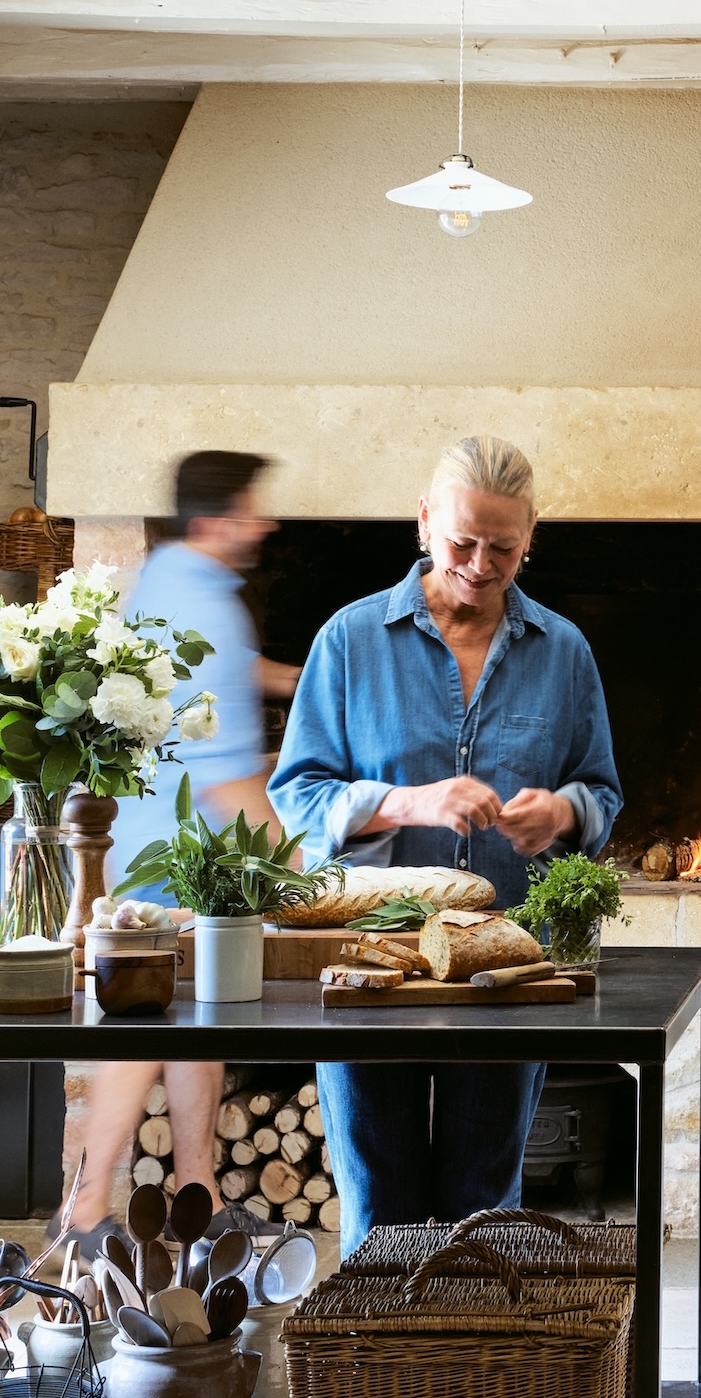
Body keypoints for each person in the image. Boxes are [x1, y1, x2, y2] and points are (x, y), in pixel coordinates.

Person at [271, 434, 621, 1253]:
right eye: (462, 541)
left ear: (530, 538)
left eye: (503, 546)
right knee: (378, 1203)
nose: (479, 563)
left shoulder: (563, 652)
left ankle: (465, 1378)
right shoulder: (350, 641)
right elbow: (297, 797)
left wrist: (563, 815)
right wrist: (406, 801)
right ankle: (376, 1378)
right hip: (370, 967)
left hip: (508, 966)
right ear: (425, 523)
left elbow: (601, 792)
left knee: (484, 1205)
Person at [66, 450, 301, 1237]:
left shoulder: (170, 579)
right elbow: (229, 779)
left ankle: (197, 1198)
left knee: (198, 1018)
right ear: (216, 519)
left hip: (146, 841)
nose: (264, 522)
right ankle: (87, 1206)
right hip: (178, 859)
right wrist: (302, 869)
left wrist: (319, 677)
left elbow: (229, 674)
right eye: (252, 508)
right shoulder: (206, 603)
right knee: (141, 1030)